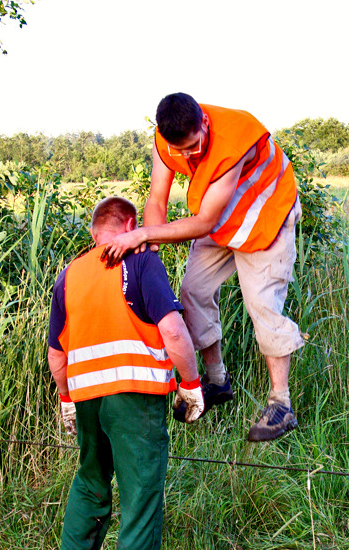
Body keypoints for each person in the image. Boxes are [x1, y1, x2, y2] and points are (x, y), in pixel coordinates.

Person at [41, 196, 204, 550]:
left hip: (87, 399)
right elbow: (172, 329)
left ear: (95, 232)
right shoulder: (141, 259)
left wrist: (66, 400)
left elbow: (58, 355)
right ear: (131, 224)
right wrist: (191, 386)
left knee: (90, 481)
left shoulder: (70, 275)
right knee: (140, 501)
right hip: (135, 398)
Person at [101, 93, 305, 442]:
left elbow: (205, 220)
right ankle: (217, 381)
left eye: (193, 148)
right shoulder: (168, 142)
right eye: (178, 150)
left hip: (265, 213)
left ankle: (281, 405)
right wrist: (148, 255)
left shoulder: (234, 138)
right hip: (224, 217)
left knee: (261, 303)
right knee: (193, 291)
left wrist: (143, 235)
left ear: (205, 124)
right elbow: (157, 198)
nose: (185, 157)